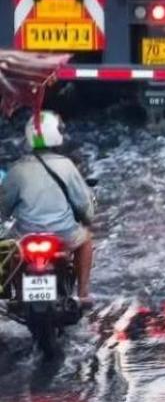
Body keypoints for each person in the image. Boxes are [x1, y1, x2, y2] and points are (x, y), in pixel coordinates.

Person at [0, 110, 95, 304]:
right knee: (86, 241)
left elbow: (4, 208)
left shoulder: (17, 170)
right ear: (57, 135)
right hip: (64, 233)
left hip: (26, 234)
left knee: (10, 250)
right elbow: (83, 204)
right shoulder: (67, 166)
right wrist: (87, 219)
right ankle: (83, 294)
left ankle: (18, 295)